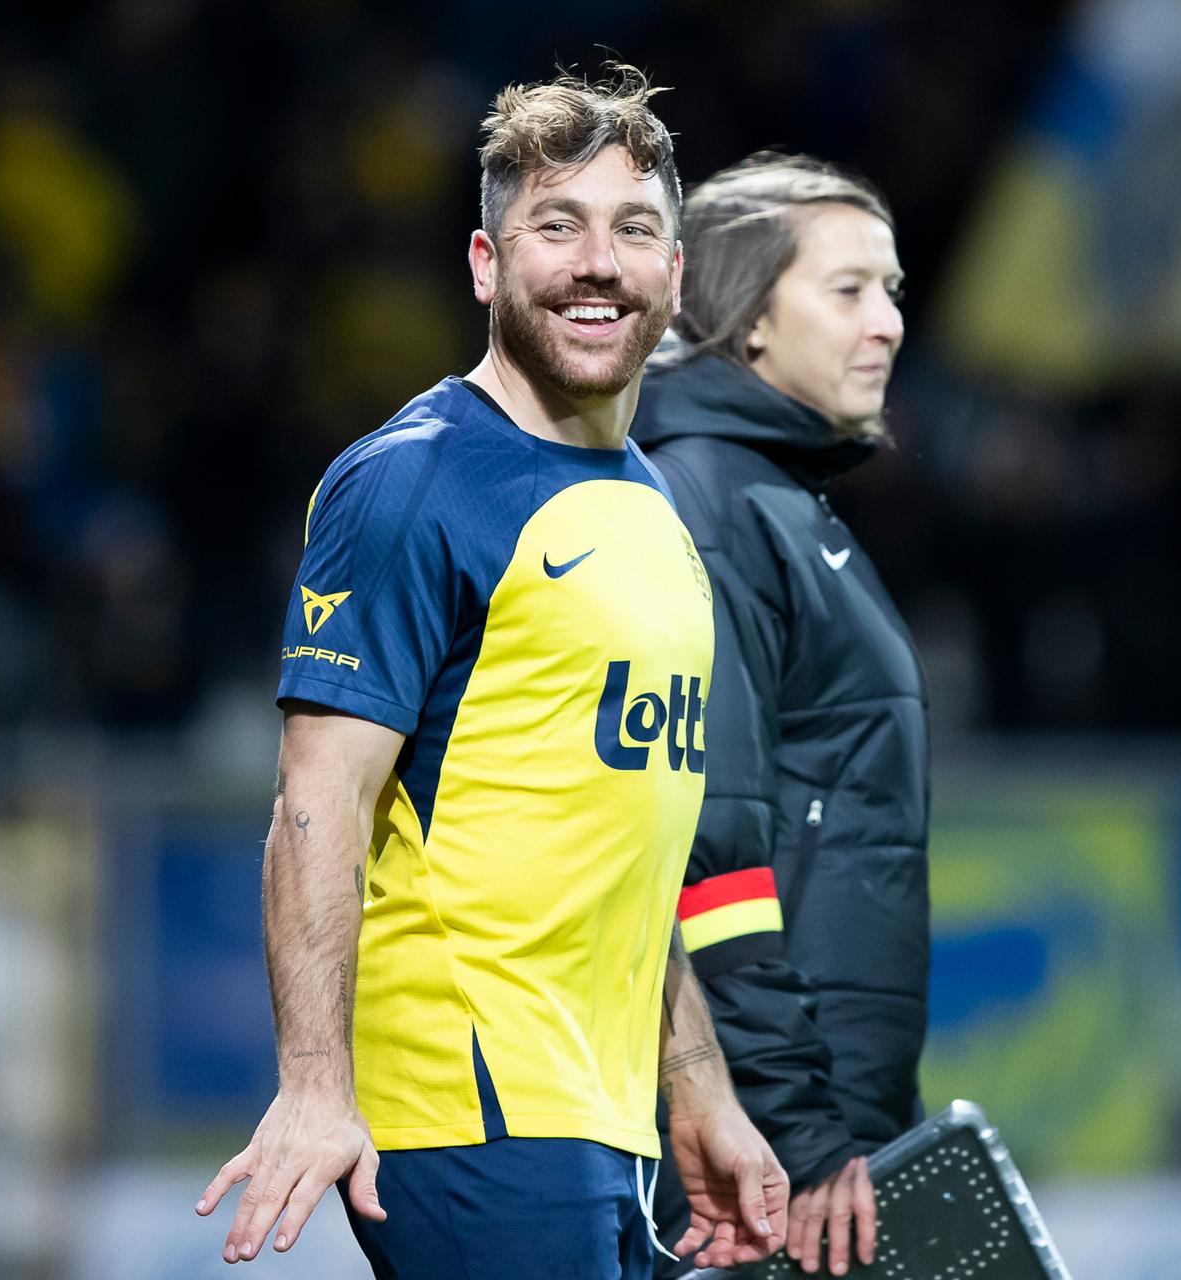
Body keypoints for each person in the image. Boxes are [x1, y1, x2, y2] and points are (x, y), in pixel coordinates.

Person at [194, 68, 789, 1277]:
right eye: (555, 226)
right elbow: (317, 798)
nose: (597, 263)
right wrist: (314, 1086)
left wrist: (697, 1089)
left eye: (634, 230)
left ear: (675, 277)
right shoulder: (413, 479)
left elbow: (625, 848)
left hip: (602, 1114)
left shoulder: (657, 512)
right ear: (484, 262)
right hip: (472, 1104)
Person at [629, 153, 928, 1279]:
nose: (888, 322)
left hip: (811, 1128)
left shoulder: (775, 500)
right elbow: (709, 845)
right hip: (766, 1154)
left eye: (891, 290)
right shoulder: (711, 502)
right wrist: (802, 1134)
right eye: (848, 290)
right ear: (748, 316)